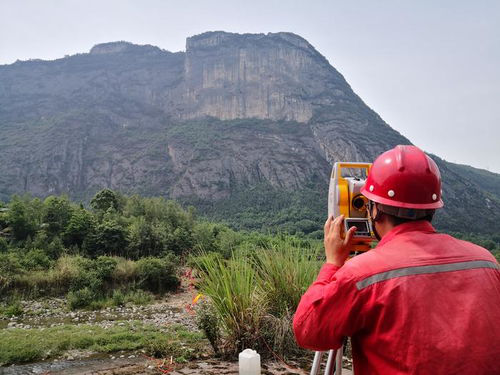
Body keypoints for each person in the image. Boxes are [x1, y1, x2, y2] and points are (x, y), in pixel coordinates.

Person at [293, 145, 500, 374]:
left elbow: (308, 331)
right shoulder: (487, 262)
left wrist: (332, 263)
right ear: (432, 207)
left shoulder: (362, 274)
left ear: (374, 209)